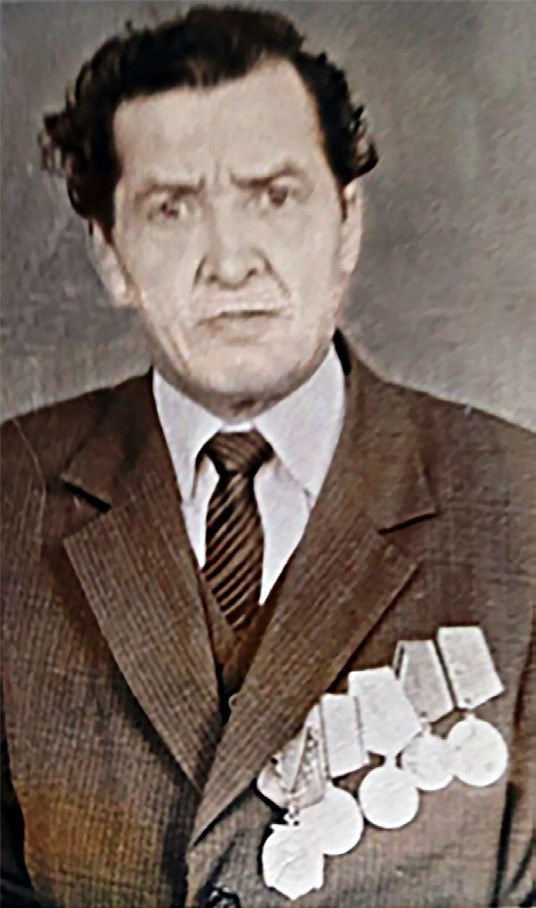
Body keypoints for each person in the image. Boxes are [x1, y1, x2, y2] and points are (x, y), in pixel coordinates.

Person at [1, 6, 533, 908]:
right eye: (172, 209)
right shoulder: (11, 491)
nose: (230, 262)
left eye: (274, 196)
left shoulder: (520, 502)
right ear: (110, 255)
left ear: (347, 222)